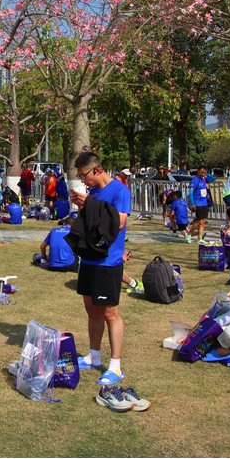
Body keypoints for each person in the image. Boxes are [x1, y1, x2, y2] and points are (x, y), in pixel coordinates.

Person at [69, 151, 131, 386]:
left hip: (108, 260)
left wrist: (90, 203)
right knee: (91, 309)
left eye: (83, 174)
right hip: (89, 258)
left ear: (97, 170)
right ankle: (94, 357)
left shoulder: (119, 190)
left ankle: (115, 366)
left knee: (109, 313)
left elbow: (120, 222)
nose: (82, 179)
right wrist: (81, 205)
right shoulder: (93, 192)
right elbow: (89, 220)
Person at [189, 166, 211, 244]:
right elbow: (191, 192)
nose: (203, 174)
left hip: (204, 202)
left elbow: (213, 178)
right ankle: (189, 233)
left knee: (203, 221)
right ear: (197, 171)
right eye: (201, 172)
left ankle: (200, 238)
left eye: (204, 173)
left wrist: (206, 174)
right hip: (198, 203)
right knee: (199, 221)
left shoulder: (204, 179)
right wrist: (192, 203)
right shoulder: (195, 180)